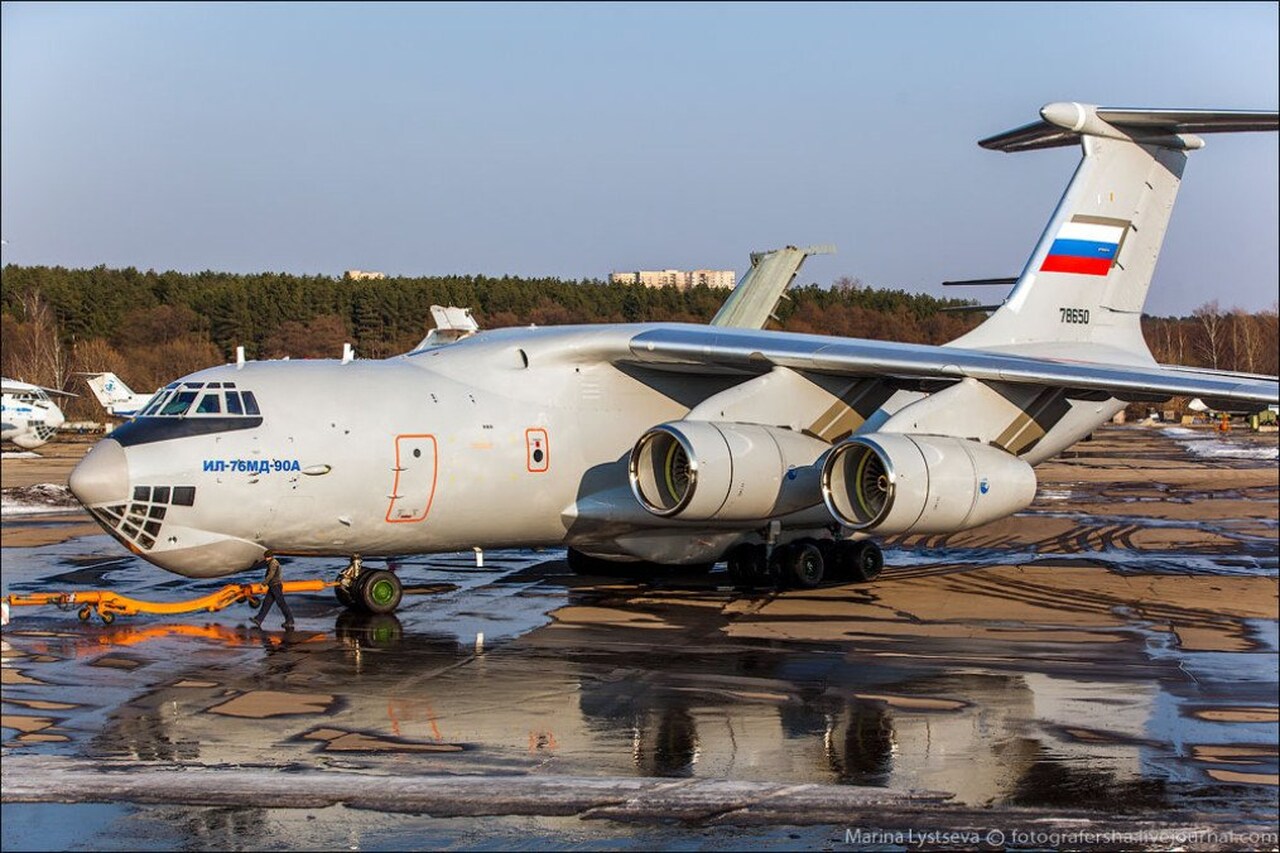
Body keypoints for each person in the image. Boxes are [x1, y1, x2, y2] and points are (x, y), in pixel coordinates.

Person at [251, 551, 294, 630]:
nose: (265, 558)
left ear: (268, 556)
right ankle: (258, 620)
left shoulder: (273, 563)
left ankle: (290, 620)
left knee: (281, 603)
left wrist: (263, 584)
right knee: (266, 603)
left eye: (266, 557)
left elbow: (271, 574)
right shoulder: (272, 562)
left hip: (276, 586)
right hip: (272, 586)